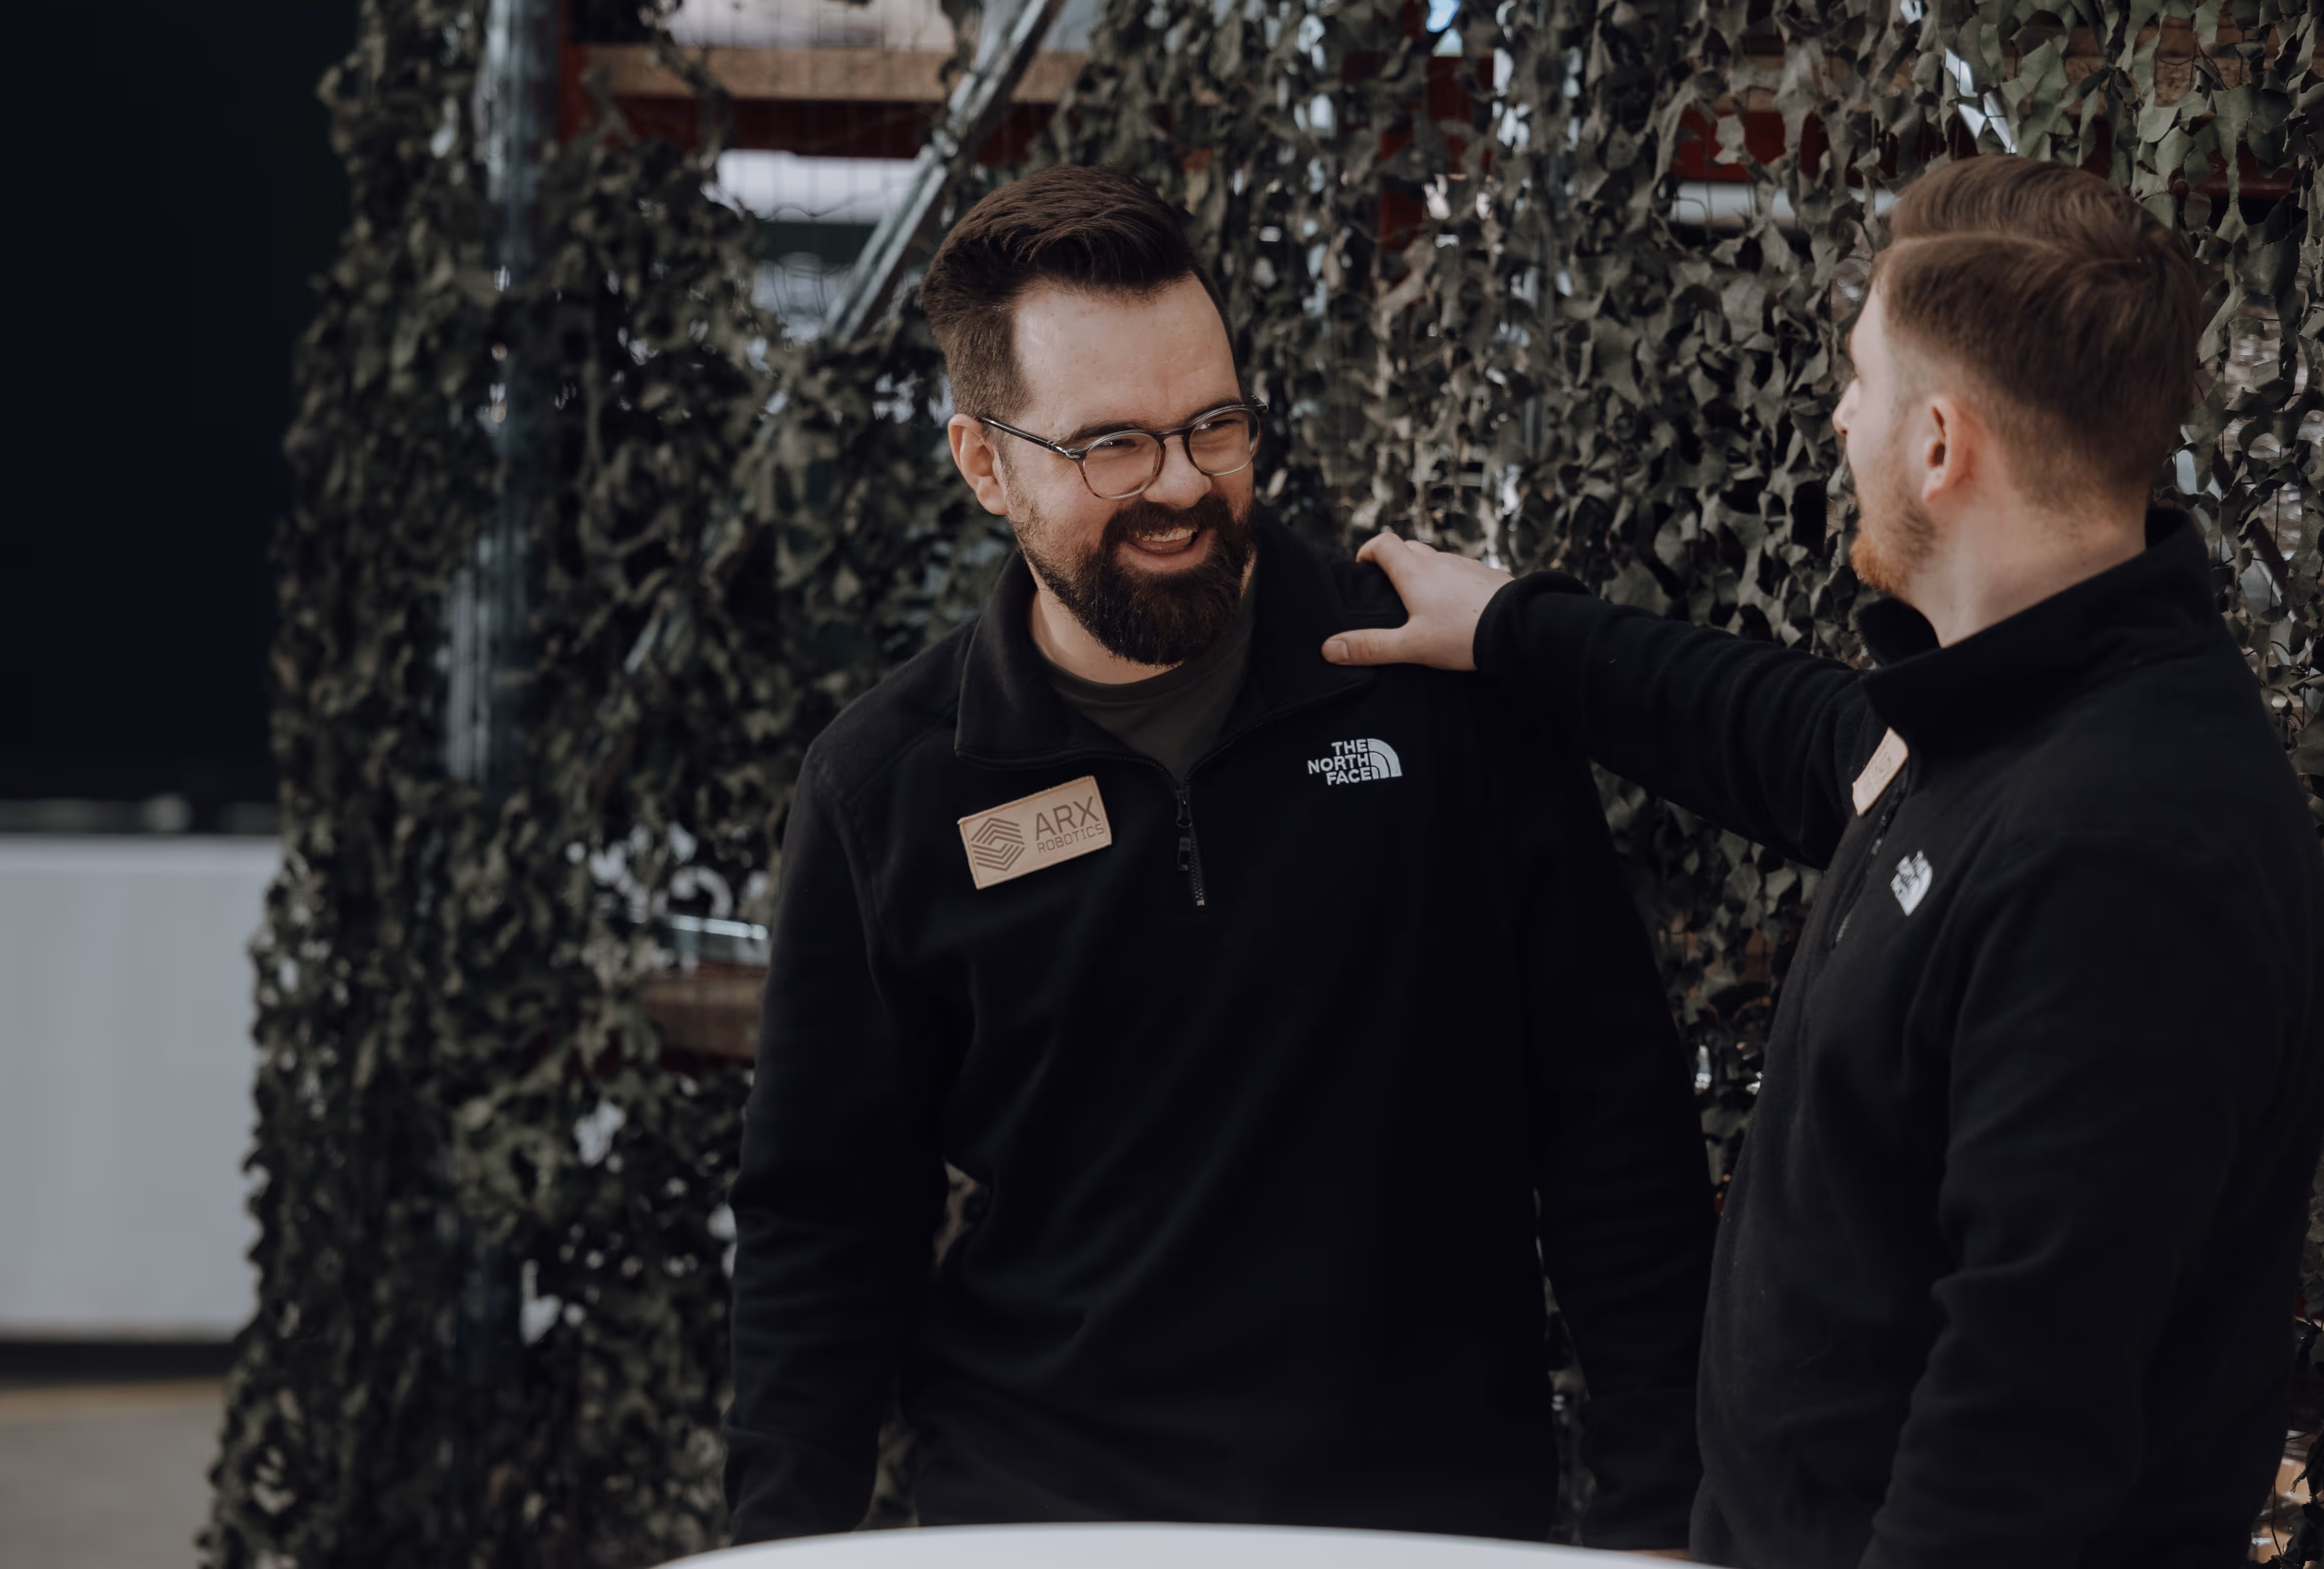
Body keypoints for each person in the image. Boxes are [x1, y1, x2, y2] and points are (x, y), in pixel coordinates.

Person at [1322, 155, 2324, 1569]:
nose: (1838, 414)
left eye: (1860, 379)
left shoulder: (2118, 860)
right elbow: (1796, 738)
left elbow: (2014, 1440)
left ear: (1939, 443)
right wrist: (1511, 628)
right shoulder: (2014, 712)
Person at [724, 164, 1713, 1551]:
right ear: (984, 463)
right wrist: (781, 1544)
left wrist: (1667, 1514)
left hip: (1421, 1522)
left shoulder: (1433, 700)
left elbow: (1616, 1128)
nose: (1183, 485)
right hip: (1044, 1522)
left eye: (1215, 425)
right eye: (1113, 447)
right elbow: (825, 1227)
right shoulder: (889, 790)